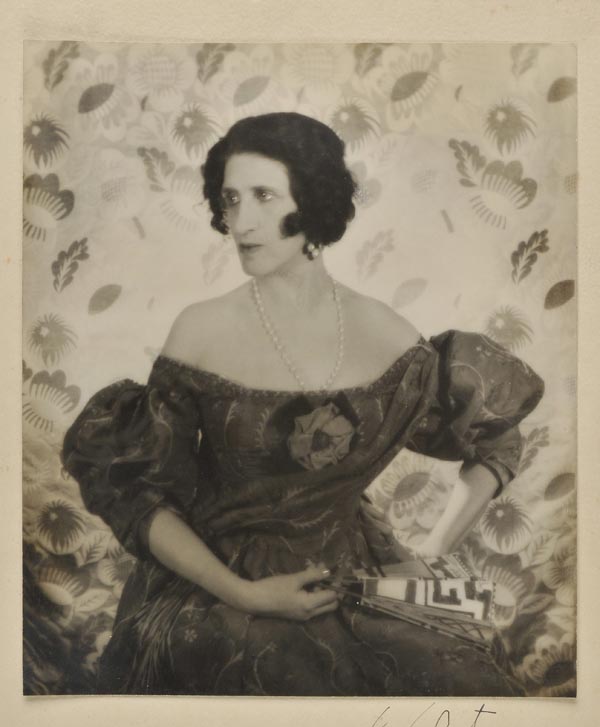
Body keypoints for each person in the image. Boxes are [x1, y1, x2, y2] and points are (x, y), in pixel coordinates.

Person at [62, 112, 544, 696]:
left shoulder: (387, 333)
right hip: (216, 582)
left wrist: (433, 550)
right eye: (231, 199)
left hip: (355, 574)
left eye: (264, 196)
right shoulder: (201, 330)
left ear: (314, 202)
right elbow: (141, 494)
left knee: (455, 684)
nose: (241, 221)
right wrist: (244, 595)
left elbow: (495, 433)